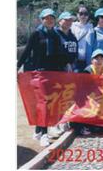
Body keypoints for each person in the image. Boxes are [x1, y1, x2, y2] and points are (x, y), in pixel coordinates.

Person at [17, 8, 67, 147]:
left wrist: (65, 66)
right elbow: (27, 51)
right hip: (39, 73)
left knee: (47, 103)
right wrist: (17, 66)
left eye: (52, 18)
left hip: (53, 73)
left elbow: (60, 54)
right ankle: (44, 134)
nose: (50, 20)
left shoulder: (56, 35)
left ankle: (38, 130)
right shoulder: (36, 34)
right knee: (44, 102)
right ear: (42, 20)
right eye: (47, 18)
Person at [77, 49, 103, 136]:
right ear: (92, 60)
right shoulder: (87, 71)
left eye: (101, 59)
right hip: (87, 98)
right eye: (96, 58)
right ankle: (84, 126)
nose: (99, 61)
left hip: (99, 97)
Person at [71, 6, 94, 72]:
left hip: (87, 61)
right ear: (77, 15)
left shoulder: (91, 28)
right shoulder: (72, 26)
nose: (83, 16)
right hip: (74, 61)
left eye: (86, 14)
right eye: (81, 13)